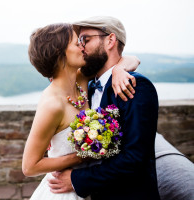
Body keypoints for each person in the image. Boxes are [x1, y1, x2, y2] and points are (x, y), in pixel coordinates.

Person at [22, 23, 140, 200]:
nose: (82, 46)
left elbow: (133, 59)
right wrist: (81, 157)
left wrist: (119, 69)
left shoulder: (81, 79)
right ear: (60, 53)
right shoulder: (52, 104)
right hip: (62, 191)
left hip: (86, 187)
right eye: (76, 43)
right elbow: (29, 167)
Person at [47, 16, 160, 200]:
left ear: (110, 40)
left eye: (86, 39)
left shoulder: (136, 86)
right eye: (79, 41)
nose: (81, 46)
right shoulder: (87, 88)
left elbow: (135, 158)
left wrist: (77, 179)